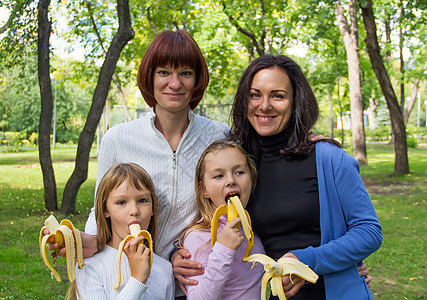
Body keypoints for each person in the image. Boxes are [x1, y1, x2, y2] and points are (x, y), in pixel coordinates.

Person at [173, 55, 381, 299]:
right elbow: (208, 220)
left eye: (278, 95)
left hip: (329, 291)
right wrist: (178, 255)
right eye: (255, 94)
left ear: (295, 101)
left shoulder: (328, 158)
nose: (264, 105)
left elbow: (369, 231)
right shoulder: (239, 162)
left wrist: (307, 260)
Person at [177, 140, 265, 299]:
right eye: (218, 176)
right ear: (204, 189)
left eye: (239, 172)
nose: (231, 180)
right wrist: (224, 249)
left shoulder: (254, 229)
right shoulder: (198, 237)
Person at [73, 163, 174, 299]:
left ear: (153, 209)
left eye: (142, 200)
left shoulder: (164, 269)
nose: (134, 211)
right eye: (121, 202)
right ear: (105, 210)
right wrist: (137, 280)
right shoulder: (89, 267)